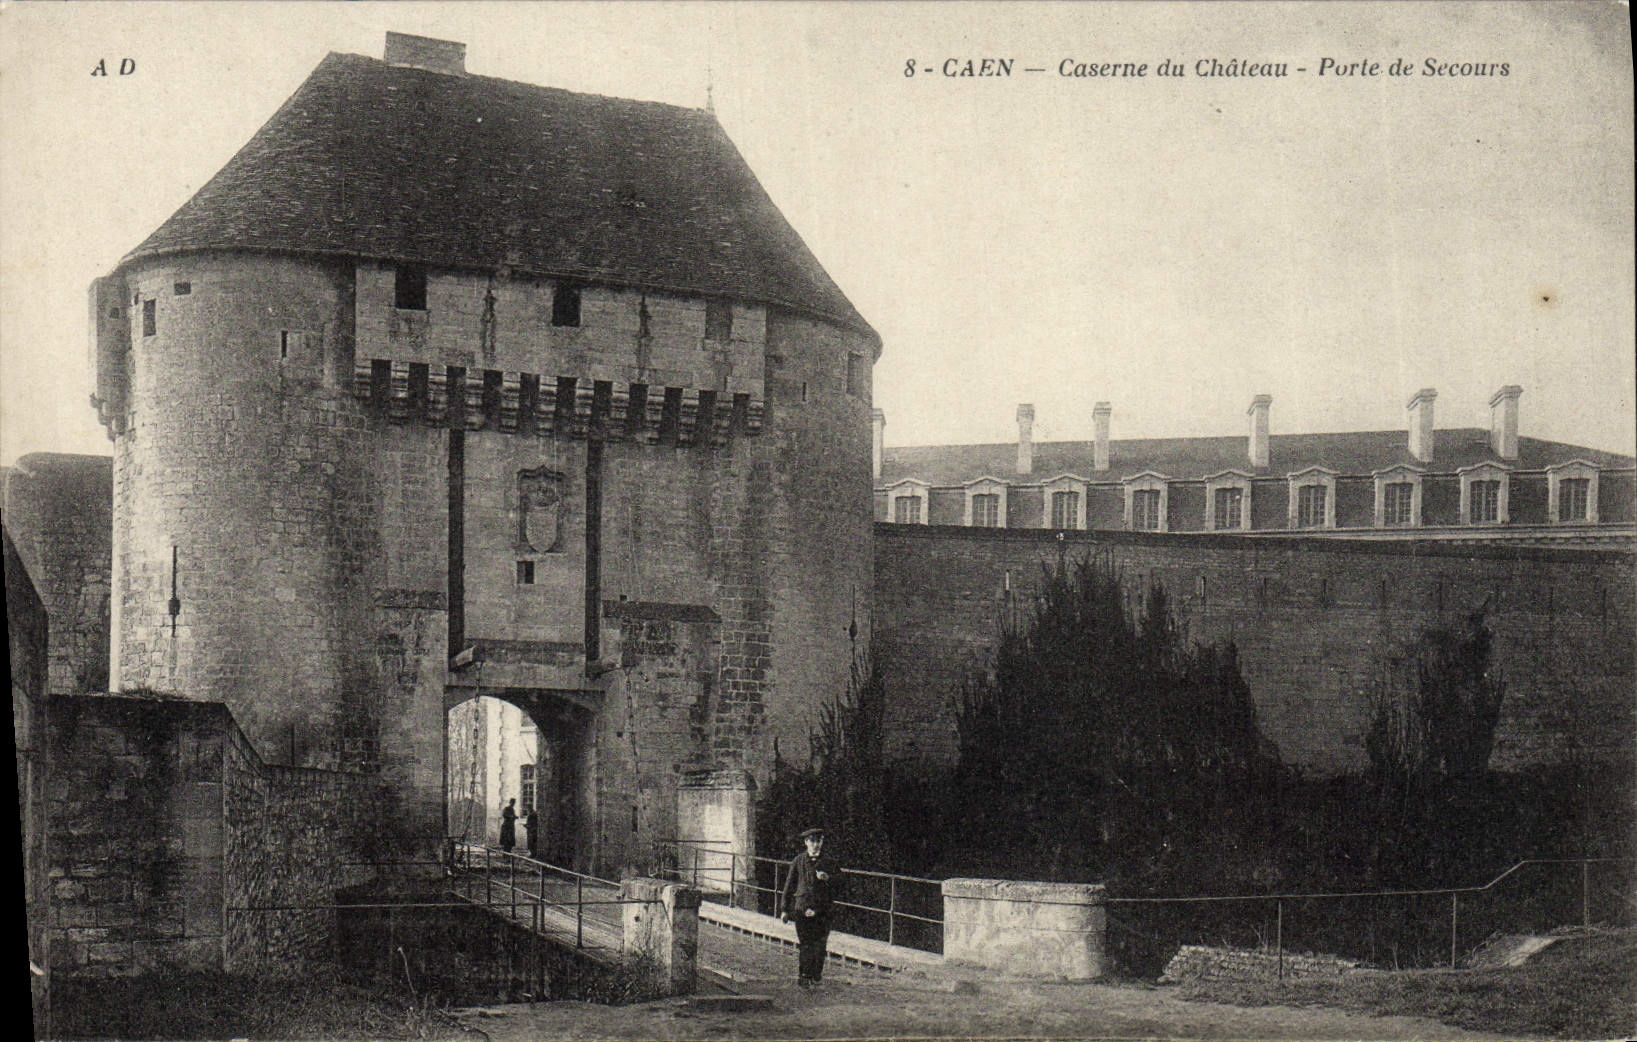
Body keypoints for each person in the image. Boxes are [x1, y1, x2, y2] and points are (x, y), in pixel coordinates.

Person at [781, 826, 839, 988]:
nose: (815, 845)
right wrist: (785, 909)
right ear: (806, 843)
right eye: (812, 841)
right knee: (805, 943)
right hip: (802, 909)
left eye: (818, 841)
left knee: (820, 944)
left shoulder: (829, 863)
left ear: (822, 842)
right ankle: (804, 975)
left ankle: (816, 975)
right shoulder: (798, 861)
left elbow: (842, 884)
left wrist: (828, 878)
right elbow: (789, 886)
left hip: (823, 911)